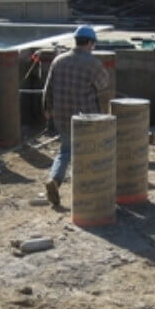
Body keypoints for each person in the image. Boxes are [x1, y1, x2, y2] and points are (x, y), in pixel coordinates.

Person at [41, 25, 112, 206]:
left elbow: (47, 88)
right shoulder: (93, 63)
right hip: (85, 118)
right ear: (89, 42)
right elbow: (104, 84)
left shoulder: (59, 60)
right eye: (93, 44)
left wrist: (47, 108)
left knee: (65, 149)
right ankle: (88, 189)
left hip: (62, 115)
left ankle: (54, 180)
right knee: (89, 152)